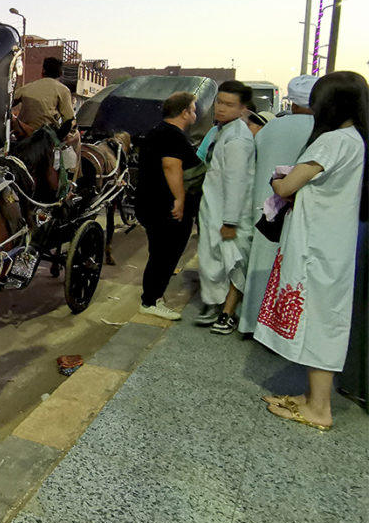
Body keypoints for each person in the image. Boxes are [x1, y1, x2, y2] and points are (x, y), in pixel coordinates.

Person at [255, 71, 368, 431]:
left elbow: (287, 186)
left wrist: (276, 178)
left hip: (317, 246)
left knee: (319, 321)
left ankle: (319, 409)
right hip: (329, 244)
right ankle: (311, 398)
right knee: (319, 318)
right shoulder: (353, 139)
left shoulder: (332, 141)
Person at [237, 75, 317, 335]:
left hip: (263, 208)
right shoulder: (321, 130)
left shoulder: (271, 128)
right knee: (290, 269)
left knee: (260, 265)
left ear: (291, 101)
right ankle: (280, 328)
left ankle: (250, 322)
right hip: (296, 210)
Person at [196, 80, 255, 334]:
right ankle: (218, 307)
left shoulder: (238, 139)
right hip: (215, 210)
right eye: (219, 102)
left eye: (229, 104)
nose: (220, 108)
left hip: (230, 215)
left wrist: (230, 221)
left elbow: (237, 182)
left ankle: (228, 313)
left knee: (234, 263)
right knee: (216, 262)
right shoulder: (223, 131)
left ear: (243, 108)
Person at [135, 91, 200, 319]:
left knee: (159, 253)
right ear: (184, 112)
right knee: (165, 254)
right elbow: (171, 167)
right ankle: (150, 301)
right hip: (164, 207)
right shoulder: (173, 136)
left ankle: (153, 296)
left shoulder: (156, 132)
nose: (195, 112)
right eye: (193, 108)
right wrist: (180, 200)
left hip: (149, 204)